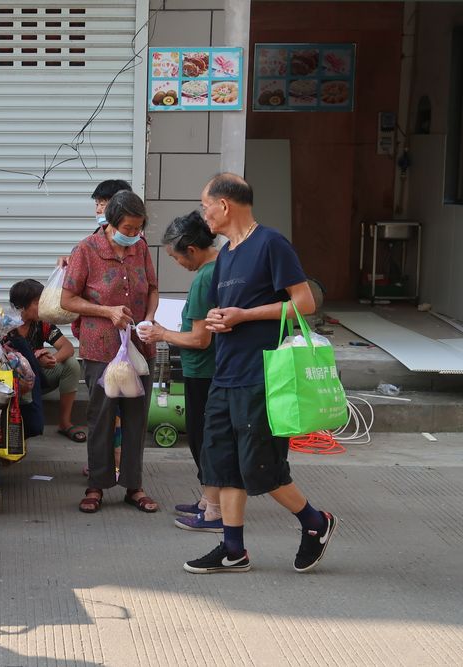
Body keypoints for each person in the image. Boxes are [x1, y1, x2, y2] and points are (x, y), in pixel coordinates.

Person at [183, 173, 337, 574]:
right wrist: (218, 319)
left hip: (262, 374)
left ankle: (315, 523)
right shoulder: (226, 255)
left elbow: (304, 304)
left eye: (205, 205)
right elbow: (226, 308)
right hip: (225, 373)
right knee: (222, 463)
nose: (204, 214)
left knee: (261, 468)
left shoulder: (271, 244)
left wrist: (246, 315)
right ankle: (233, 549)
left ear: (224, 205)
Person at [61, 189, 159, 514]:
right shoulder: (86, 250)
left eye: (138, 228)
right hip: (100, 347)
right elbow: (67, 300)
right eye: (128, 228)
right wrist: (108, 312)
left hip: (139, 347)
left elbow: (154, 288)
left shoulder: (141, 248)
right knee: (101, 417)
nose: (133, 234)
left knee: (136, 417)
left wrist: (148, 319)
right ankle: (96, 486)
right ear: (112, 222)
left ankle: (134, 486)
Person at [137, 211, 222, 532]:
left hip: (203, 370)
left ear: (191, 248)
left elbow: (200, 339)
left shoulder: (204, 277)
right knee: (205, 438)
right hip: (211, 368)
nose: (177, 264)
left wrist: (162, 334)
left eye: (175, 257)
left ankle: (213, 511)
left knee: (204, 441)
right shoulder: (220, 265)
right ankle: (206, 501)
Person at [7, 279, 84, 441]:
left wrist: (51, 359)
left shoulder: (42, 323)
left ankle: (64, 423)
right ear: (22, 306)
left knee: (72, 365)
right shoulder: (6, 327)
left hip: (40, 378)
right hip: (17, 382)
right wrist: (34, 361)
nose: (42, 306)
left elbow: (68, 348)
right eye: (37, 302)